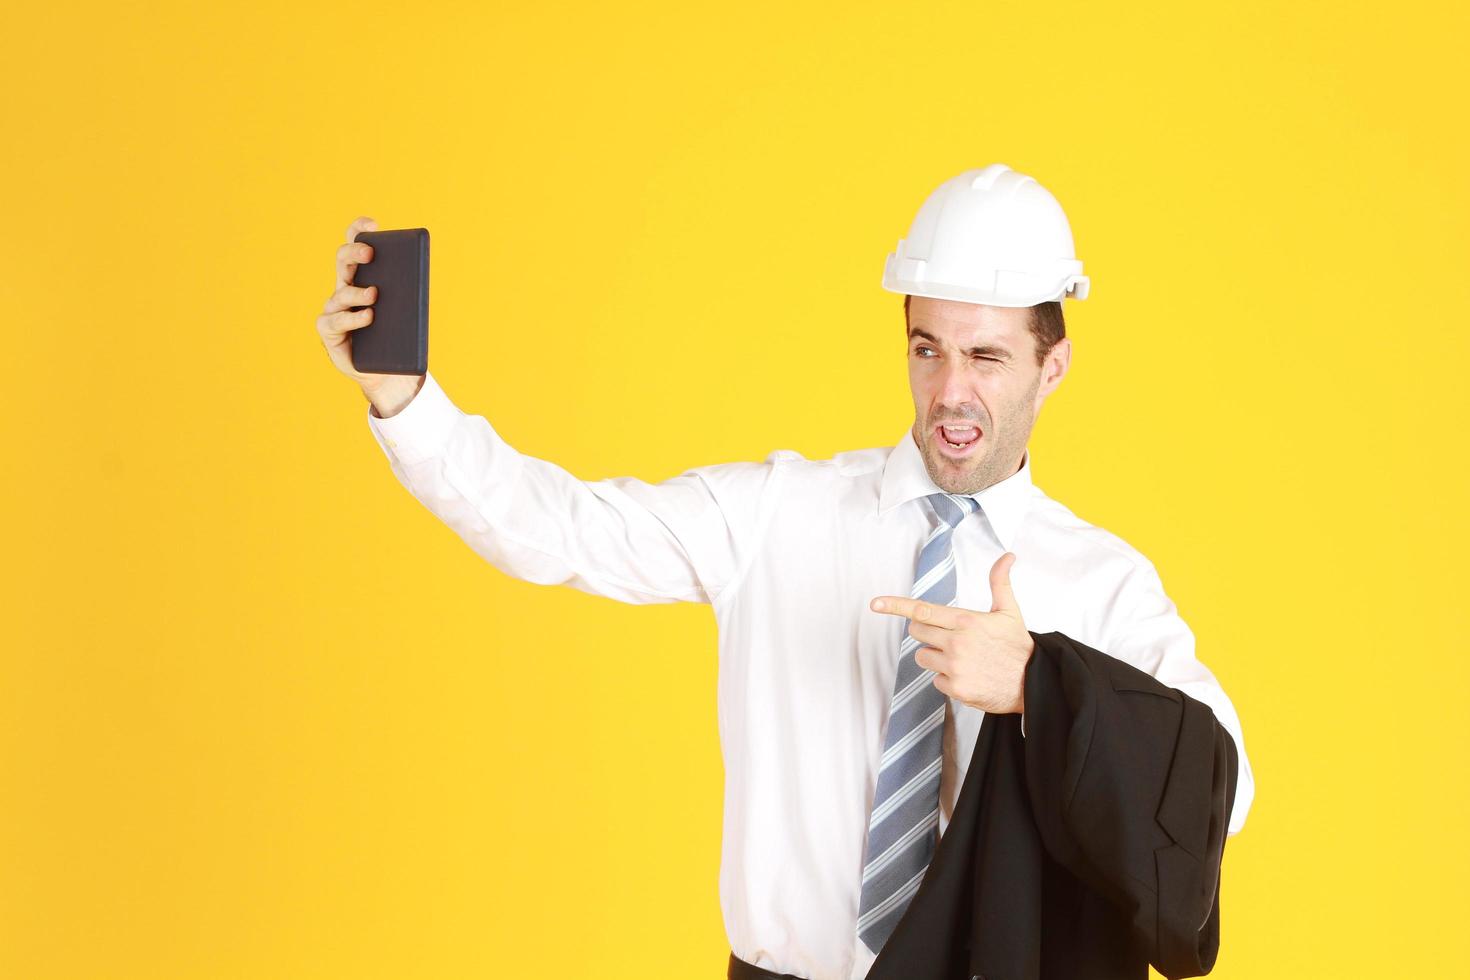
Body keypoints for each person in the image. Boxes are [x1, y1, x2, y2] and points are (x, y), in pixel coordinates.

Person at [314, 163, 1255, 980]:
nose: (950, 392)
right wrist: (404, 402)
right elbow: (558, 528)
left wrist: (1043, 688)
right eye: (927, 350)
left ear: (1052, 368)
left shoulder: (1103, 581)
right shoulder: (776, 514)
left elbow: (1225, 789)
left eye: (987, 357)